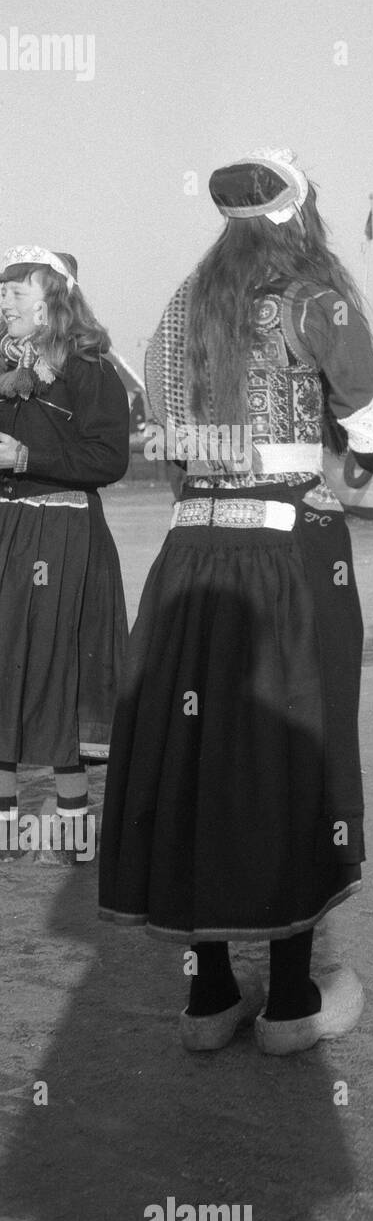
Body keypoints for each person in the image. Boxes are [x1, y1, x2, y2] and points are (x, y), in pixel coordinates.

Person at [98, 149, 373, 1054]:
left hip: (191, 551)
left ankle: (210, 996)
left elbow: (159, 420)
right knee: (289, 753)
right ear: (298, 214)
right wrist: (362, 451)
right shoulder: (313, 299)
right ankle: (292, 999)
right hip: (289, 549)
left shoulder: (176, 312)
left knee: (196, 757)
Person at [0, 248, 130, 865]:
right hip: (5, 527)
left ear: (53, 298)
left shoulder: (90, 369)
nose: (5, 305)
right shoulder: (1, 366)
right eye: (3, 296)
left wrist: (27, 459)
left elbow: (108, 460)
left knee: (57, 671)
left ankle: (73, 829)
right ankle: (5, 830)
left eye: (17, 295)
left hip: (63, 531)